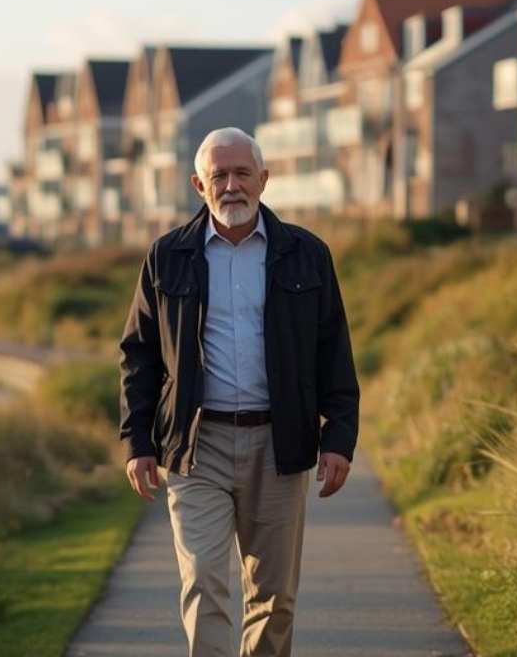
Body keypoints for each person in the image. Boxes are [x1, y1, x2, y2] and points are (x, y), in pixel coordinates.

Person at [119, 127, 359, 657]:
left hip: (281, 445)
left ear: (264, 180)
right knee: (205, 583)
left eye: (242, 173)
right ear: (198, 185)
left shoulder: (306, 254)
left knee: (274, 597)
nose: (231, 185)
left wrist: (339, 436)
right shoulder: (167, 257)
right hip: (195, 446)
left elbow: (333, 350)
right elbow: (139, 355)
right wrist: (138, 442)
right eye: (218, 175)